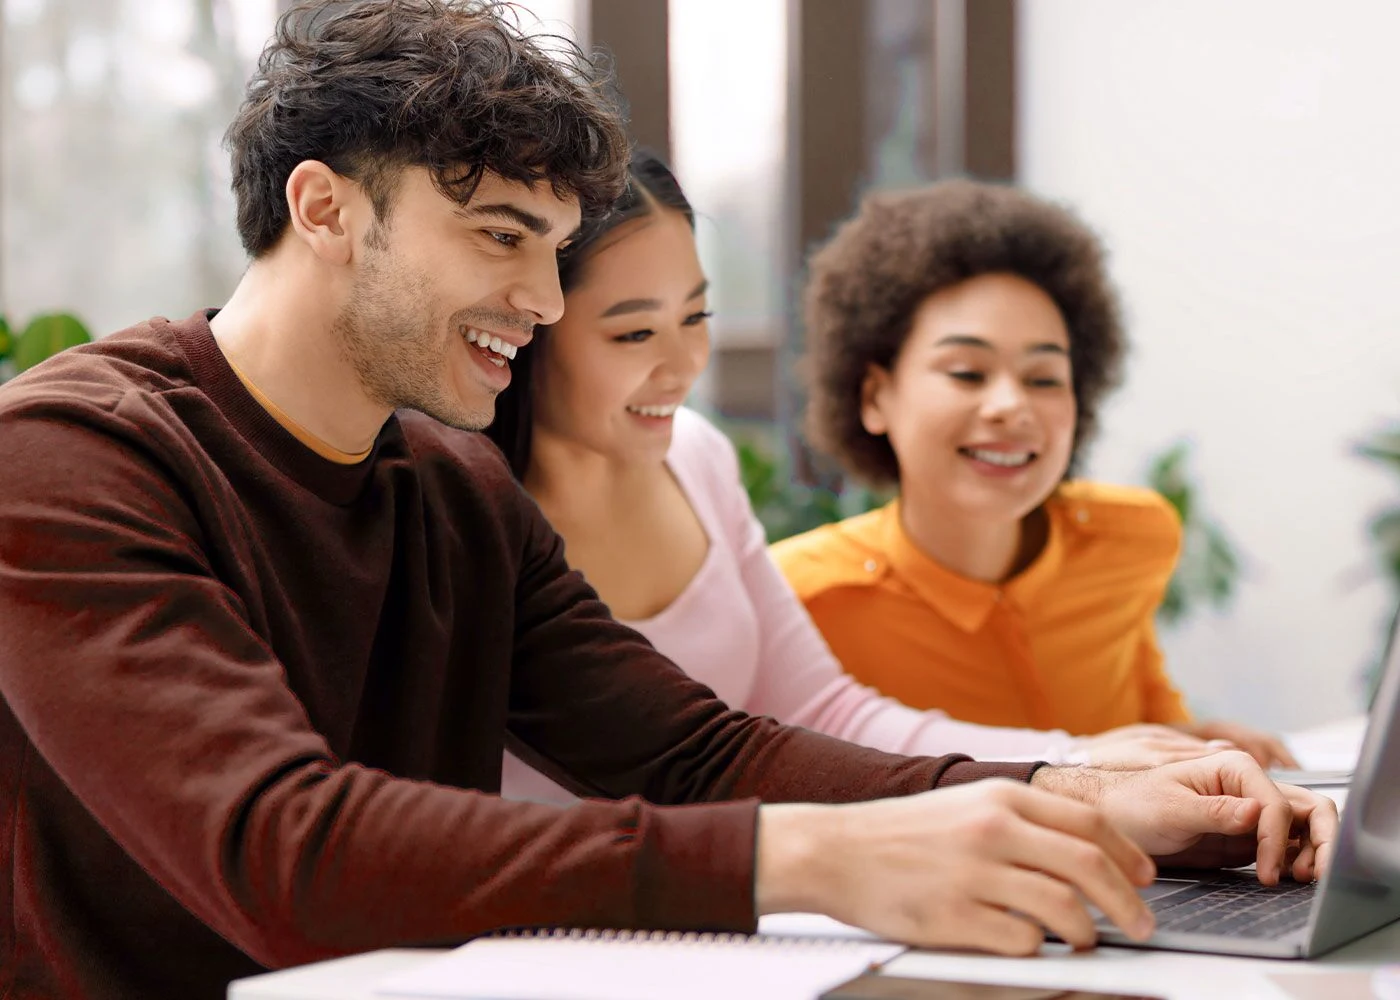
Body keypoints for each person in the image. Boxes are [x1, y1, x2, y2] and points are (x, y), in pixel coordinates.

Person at [0, 4, 1330, 999]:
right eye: (501, 236)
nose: (541, 298)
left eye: (553, 246)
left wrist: (1070, 794)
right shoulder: (71, 458)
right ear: (327, 208)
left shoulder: (455, 491)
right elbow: (282, 852)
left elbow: (698, 751)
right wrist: (799, 863)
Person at [486, 149, 1224, 805]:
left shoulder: (699, 459)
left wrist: (1078, 761)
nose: (684, 368)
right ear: (532, 325)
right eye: (634, 332)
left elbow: (824, 713)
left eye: (698, 316)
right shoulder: (464, 510)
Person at [769, 180, 1298, 769]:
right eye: (967, 372)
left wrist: (1195, 742)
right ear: (874, 396)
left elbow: (1146, 720)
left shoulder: (1131, 538)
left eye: (1043, 378)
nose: (1010, 406)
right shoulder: (801, 599)